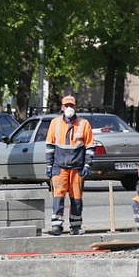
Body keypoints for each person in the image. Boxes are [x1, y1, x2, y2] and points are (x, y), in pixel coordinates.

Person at [44, 94, 95, 236]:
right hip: (59, 167)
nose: (69, 108)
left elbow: (90, 146)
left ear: (75, 107)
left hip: (77, 168)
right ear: (62, 107)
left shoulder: (84, 124)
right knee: (58, 197)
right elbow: (50, 145)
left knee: (76, 198)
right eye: (66, 105)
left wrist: (87, 165)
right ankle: (57, 225)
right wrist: (49, 165)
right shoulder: (55, 123)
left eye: (71, 105)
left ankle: (76, 226)